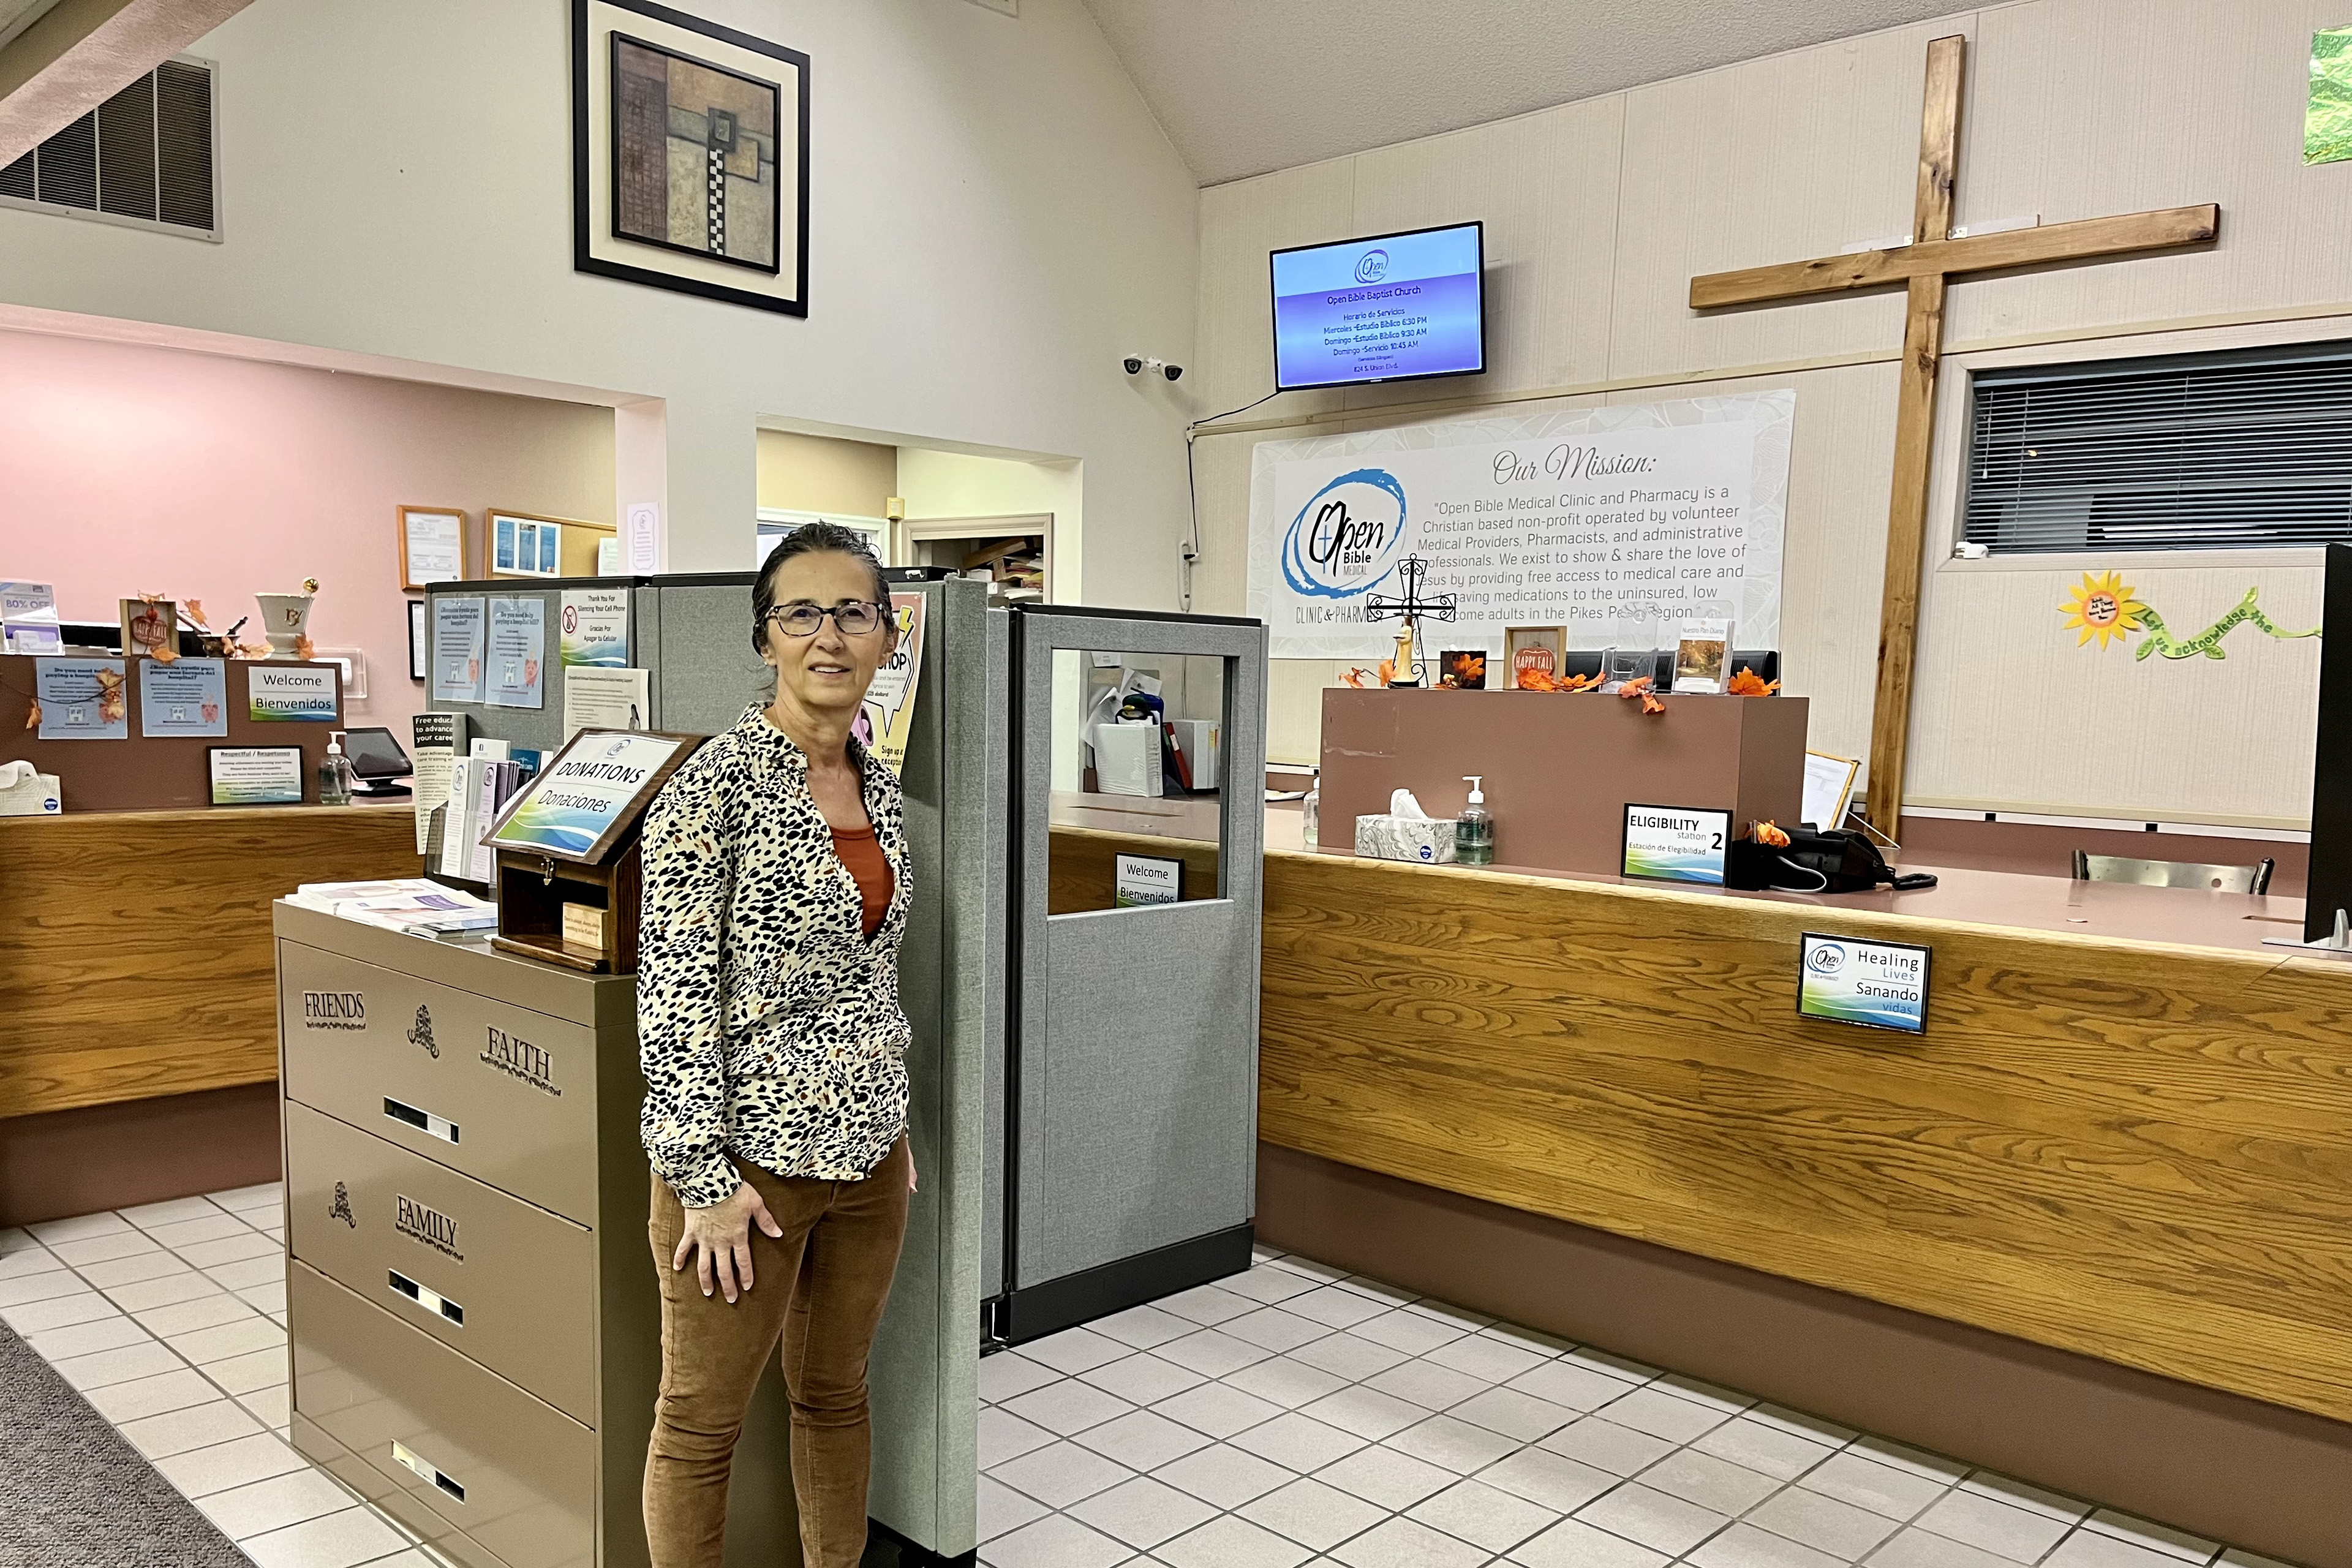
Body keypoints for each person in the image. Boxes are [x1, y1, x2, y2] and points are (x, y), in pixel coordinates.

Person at [636, 522, 915, 1568]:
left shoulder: (879, 789)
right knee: (700, 1425)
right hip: (746, 1171)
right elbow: (672, 998)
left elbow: (871, 976)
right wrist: (701, 1180)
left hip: (870, 1161)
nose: (829, 637)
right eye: (802, 613)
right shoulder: (711, 787)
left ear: (887, 637)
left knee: (836, 1396)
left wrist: (890, 1119)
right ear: (766, 639)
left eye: (853, 612)